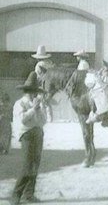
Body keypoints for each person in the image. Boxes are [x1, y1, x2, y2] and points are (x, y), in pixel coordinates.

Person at [10, 73, 47, 205]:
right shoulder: (19, 103)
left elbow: (43, 121)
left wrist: (38, 109)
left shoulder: (39, 104)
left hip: (38, 134)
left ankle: (28, 194)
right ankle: (15, 195)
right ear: (27, 91)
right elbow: (23, 120)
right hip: (26, 135)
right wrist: (33, 109)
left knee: (35, 165)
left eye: (35, 91)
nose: (34, 94)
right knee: (27, 166)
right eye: (32, 91)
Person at [0, 87, 12, 154]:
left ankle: (5, 148)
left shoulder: (8, 106)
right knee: (3, 135)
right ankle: (3, 148)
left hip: (6, 121)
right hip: (3, 121)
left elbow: (10, 114)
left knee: (5, 135)